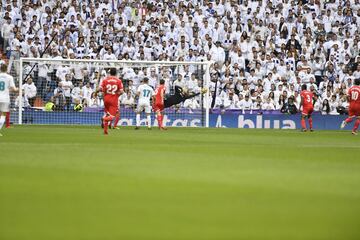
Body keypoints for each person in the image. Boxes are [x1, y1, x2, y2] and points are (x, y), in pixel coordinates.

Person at [99, 68, 124, 135]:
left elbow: (100, 89)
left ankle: (105, 131)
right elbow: (121, 91)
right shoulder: (118, 81)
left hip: (106, 99)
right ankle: (104, 119)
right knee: (112, 116)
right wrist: (116, 94)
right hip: (113, 100)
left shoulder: (105, 80)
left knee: (108, 114)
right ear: (116, 73)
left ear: (110, 73)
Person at [0, 64, 18, 136]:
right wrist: (18, 89)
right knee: (3, 115)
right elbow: (14, 89)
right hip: (5, 99)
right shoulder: (9, 77)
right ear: (7, 69)